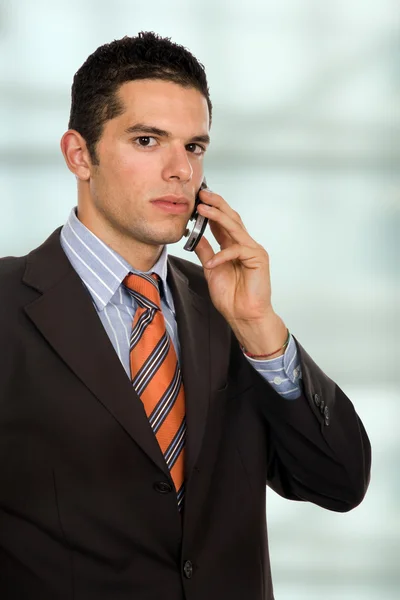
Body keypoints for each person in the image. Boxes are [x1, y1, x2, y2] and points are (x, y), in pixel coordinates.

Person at [0, 31, 371, 600]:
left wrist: (260, 330)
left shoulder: (227, 307)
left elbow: (340, 482)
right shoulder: (7, 305)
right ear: (80, 155)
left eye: (194, 147)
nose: (180, 170)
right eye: (148, 140)